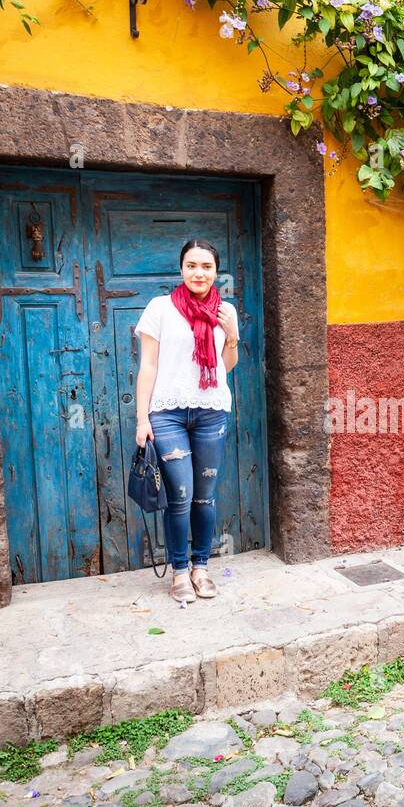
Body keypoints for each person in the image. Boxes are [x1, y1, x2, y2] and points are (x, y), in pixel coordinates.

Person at [134, 238, 240, 603]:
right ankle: (179, 572)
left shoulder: (225, 311)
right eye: (192, 265)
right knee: (180, 494)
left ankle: (201, 567)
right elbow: (147, 364)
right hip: (167, 413)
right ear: (181, 269)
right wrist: (141, 418)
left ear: (215, 271)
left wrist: (233, 336)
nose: (199, 272)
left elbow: (225, 368)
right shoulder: (160, 308)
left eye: (206, 266)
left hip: (211, 412)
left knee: (205, 497)